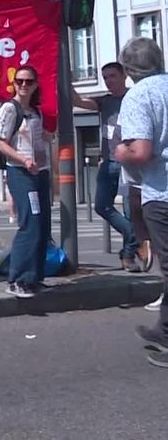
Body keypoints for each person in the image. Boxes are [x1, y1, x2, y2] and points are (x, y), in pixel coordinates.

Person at [113, 37, 168, 368]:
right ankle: (164, 329)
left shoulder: (139, 95)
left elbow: (141, 151)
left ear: (131, 70)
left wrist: (121, 150)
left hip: (161, 192)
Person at [71, 62, 141, 271]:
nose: (108, 81)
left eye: (112, 76)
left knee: (132, 210)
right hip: (109, 161)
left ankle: (128, 255)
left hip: (131, 162)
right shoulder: (105, 101)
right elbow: (78, 101)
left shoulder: (135, 97)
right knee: (102, 205)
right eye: (105, 77)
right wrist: (65, 75)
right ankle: (136, 238)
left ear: (124, 76)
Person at [0, 66, 54, 299]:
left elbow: (39, 139)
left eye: (28, 81)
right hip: (22, 173)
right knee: (30, 223)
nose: (23, 85)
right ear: (13, 83)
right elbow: (1, 143)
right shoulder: (10, 109)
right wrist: (23, 159)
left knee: (42, 225)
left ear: (35, 84)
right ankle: (17, 279)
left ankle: (34, 277)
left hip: (41, 172)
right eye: (19, 81)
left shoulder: (35, 111)